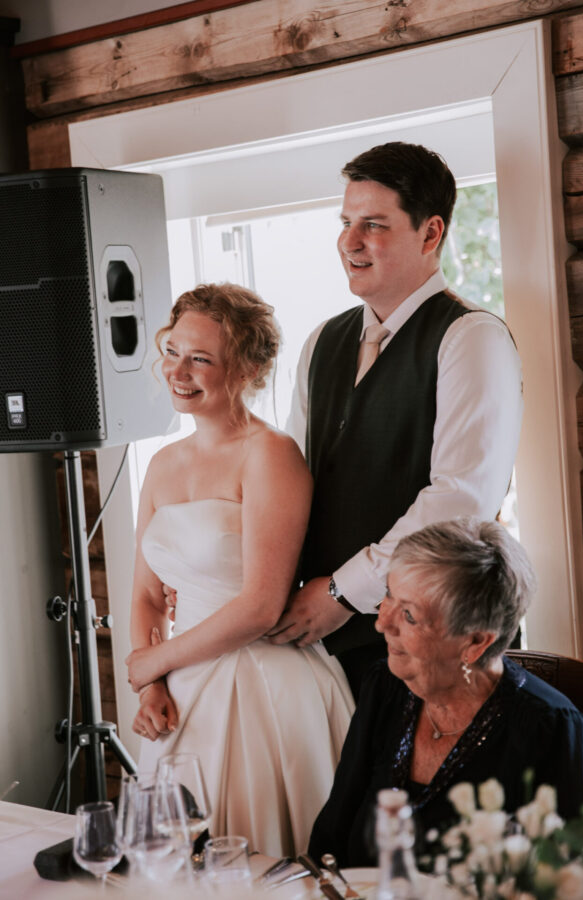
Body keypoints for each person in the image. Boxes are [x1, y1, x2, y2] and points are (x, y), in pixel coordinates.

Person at [269, 142, 523, 699]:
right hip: (323, 650)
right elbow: (291, 479)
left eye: (374, 225)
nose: (350, 242)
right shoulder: (321, 341)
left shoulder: (471, 337)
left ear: (430, 234)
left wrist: (341, 593)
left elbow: (459, 502)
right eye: (346, 223)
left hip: (438, 646)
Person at [125, 283, 354, 857]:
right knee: (179, 860)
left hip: (261, 681)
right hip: (177, 692)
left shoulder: (270, 454)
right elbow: (147, 595)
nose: (179, 371)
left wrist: (156, 660)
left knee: (263, 859)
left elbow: (261, 605)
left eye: (201, 359)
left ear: (248, 369)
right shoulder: (161, 463)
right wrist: (151, 686)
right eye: (172, 351)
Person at [308, 518, 583, 866]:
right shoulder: (385, 685)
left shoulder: (548, 727)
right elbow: (330, 842)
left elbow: (567, 878)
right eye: (388, 595)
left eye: (409, 615)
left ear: (475, 642)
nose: (382, 622)